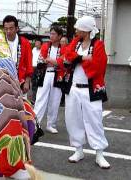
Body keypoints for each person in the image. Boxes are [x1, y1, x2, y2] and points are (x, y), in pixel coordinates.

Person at [60, 16, 110, 169]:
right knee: (72, 119)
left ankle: (99, 153)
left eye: (78, 28)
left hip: (90, 89)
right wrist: (82, 57)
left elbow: (98, 64)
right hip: (73, 87)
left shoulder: (98, 44)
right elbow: (66, 56)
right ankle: (78, 150)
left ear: (86, 30)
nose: (76, 30)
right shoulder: (76, 43)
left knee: (94, 120)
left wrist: (76, 59)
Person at [33, 26, 65, 134]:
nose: (51, 36)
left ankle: (51, 124)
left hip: (58, 75)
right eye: (50, 33)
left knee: (55, 101)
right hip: (45, 74)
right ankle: (35, 124)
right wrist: (56, 62)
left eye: (54, 34)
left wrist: (53, 61)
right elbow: (41, 60)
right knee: (40, 99)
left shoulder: (64, 48)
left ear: (60, 36)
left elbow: (64, 63)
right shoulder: (46, 46)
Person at [3, 15, 33, 95]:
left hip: (20, 80)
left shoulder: (25, 43)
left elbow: (29, 64)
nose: (8, 31)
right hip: (3, 80)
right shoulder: (0, 42)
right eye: (6, 29)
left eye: (11, 28)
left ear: (17, 28)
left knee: (20, 106)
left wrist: (27, 82)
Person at [30, 39, 42, 103]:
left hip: (38, 68)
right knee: (33, 83)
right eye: (36, 43)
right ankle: (33, 98)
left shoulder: (42, 50)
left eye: (38, 43)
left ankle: (35, 99)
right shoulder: (33, 49)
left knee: (37, 83)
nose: (36, 44)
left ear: (41, 44)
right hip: (32, 68)